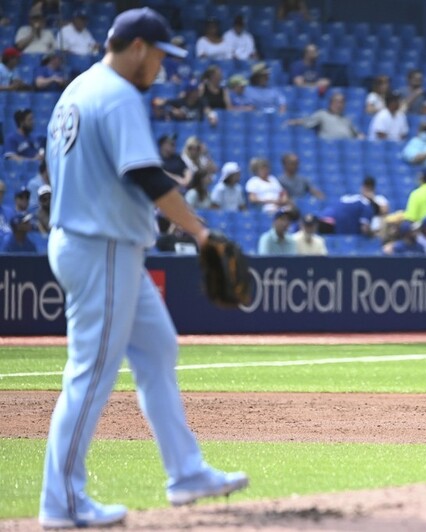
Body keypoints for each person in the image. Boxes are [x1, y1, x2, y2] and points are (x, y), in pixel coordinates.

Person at [40, 9, 248, 528]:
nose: (161, 66)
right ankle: (62, 502)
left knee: (157, 349)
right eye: (158, 55)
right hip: (102, 245)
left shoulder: (78, 90)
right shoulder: (117, 94)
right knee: (90, 374)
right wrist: (200, 232)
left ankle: (187, 472)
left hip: (91, 239)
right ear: (136, 47)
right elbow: (145, 176)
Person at [317, 176, 382, 235]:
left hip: (322, 218)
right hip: (331, 223)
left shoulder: (356, 199)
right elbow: (365, 229)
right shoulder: (368, 207)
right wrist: (373, 235)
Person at [286, 92, 362, 140]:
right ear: (330, 103)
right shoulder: (322, 114)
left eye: (341, 102)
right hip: (329, 146)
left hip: (346, 147)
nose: (339, 105)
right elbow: (307, 122)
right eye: (336, 102)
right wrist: (294, 122)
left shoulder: (347, 118)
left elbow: (356, 133)